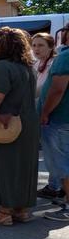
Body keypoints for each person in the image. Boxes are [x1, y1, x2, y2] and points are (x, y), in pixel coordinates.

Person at [0, 27, 39, 225]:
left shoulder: (3, 67)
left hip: (5, 125)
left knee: (5, 166)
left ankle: (4, 212)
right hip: (26, 124)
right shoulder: (27, 68)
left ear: (2, 45)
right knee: (22, 166)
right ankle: (20, 209)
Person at [40, 25, 69, 222]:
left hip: (59, 120)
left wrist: (44, 112)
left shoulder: (65, 57)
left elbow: (57, 89)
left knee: (62, 166)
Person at [32, 33, 57, 100]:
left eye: (40, 45)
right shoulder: (34, 64)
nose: (36, 49)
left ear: (51, 47)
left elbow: (47, 87)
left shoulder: (56, 63)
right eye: (34, 45)